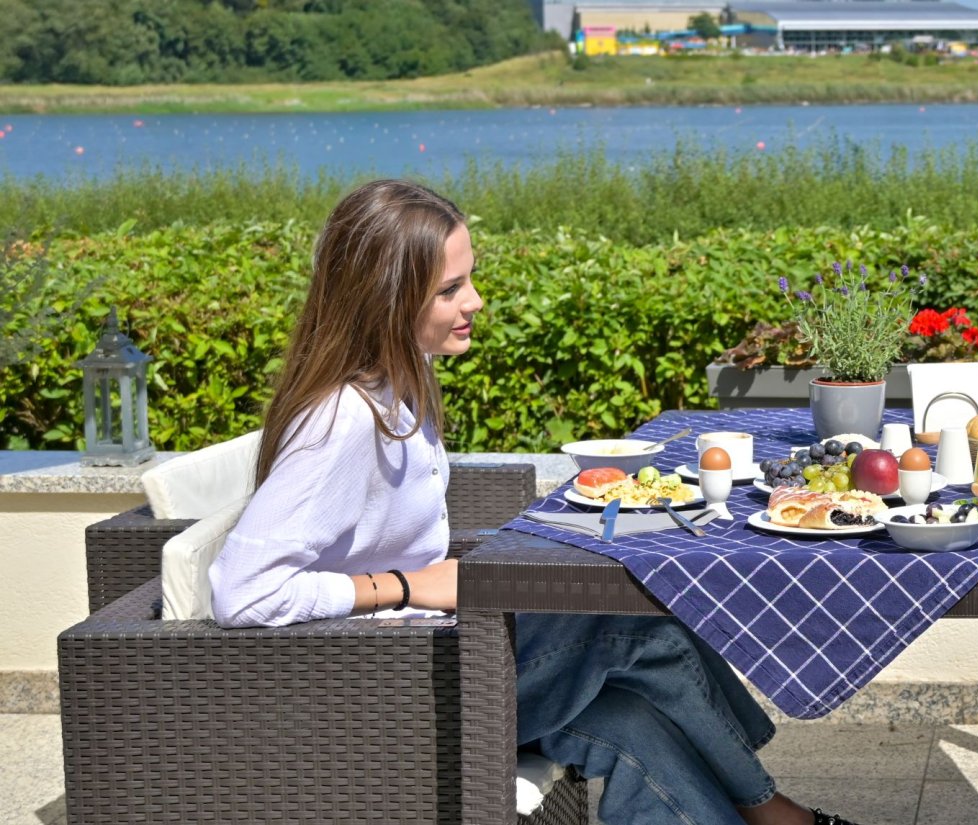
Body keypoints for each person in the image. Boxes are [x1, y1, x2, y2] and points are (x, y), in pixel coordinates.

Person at [208, 179, 860, 825]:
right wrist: (405, 585)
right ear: (384, 299)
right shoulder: (344, 421)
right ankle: (777, 813)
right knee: (637, 613)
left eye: (469, 279)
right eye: (449, 289)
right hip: (384, 693)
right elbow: (243, 592)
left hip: (433, 656)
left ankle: (773, 815)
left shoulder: (401, 384)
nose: (476, 301)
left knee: (630, 722)